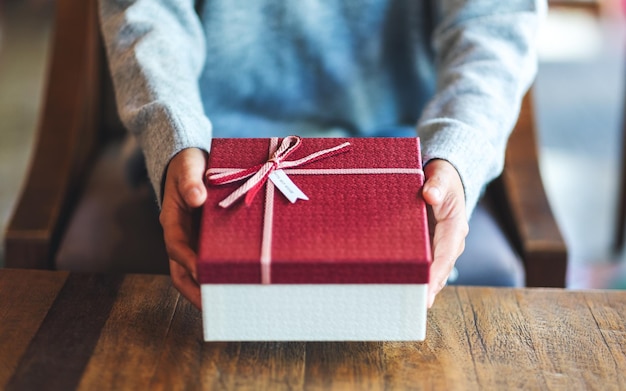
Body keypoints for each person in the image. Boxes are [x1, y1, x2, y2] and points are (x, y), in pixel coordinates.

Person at [99, 0, 545, 309]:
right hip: (209, 153)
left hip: (400, 156)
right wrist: (175, 135)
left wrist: (457, 152)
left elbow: (495, 20)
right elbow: (147, 11)